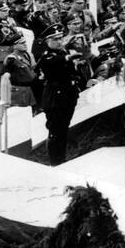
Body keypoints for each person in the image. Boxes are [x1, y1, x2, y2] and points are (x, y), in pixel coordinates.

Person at [37, 25, 83, 165]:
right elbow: (51, 63)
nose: (59, 41)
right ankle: (54, 162)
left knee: (63, 129)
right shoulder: (47, 56)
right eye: (55, 39)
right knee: (55, 131)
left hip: (68, 96)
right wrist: (68, 58)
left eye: (60, 38)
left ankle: (61, 160)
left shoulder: (62, 52)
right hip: (55, 99)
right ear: (48, 41)